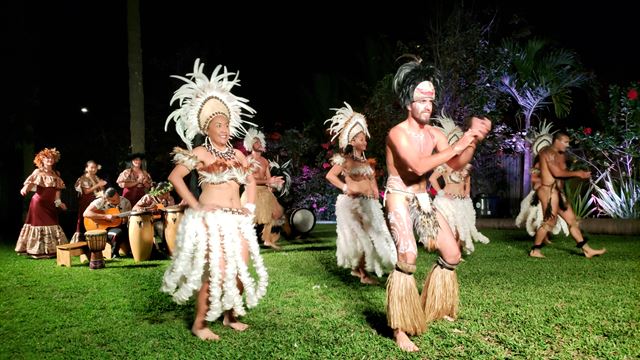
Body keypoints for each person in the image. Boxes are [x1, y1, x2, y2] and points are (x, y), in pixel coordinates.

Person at [384, 58, 491, 352]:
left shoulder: (435, 133)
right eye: (421, 100)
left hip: (422, 199)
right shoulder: (397, 133)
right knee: (407, 255)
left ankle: (436, 306)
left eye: (430, 101)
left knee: (453, 254)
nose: (427, 106)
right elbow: (418, 166)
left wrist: (473, 140)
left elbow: (456, 165)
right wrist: (458, 145)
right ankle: (400, 328)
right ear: (409, 102)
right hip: (398, 196)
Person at [161, 59, 268, 341]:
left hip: (238, 219)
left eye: (226, 124)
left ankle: (230, 315)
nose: (224, 129)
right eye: (218, 124)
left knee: (240, 271)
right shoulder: (200, 153)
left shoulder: (238, 155)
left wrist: (250, 206)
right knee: (216, 272)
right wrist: (196, 205)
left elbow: (250, 181)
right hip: (212, 219)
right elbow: (175, 176)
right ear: (207, 128)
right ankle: (199, 324)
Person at [324, 102, 397, 284]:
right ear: (352, 141)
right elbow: (330, 176)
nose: (364, 141)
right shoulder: (346, 160)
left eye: (365, 138)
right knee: (362, 237)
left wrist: (376, 194)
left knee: (373, 235)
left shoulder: (367, 163)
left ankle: (360, 270)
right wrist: (345, 188)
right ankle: (364, 275)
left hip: (369, 203)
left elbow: (372, 181)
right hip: (353, 204)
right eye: (361, 138)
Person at [530, 131, 606, 258]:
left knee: (572, 221)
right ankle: (535, 250)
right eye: (565, 142)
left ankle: (587, 250)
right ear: (557, 141)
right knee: (549, 222)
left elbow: (563, 172)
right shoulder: (547, 152)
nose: (567, 145)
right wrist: (578, 174)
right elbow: (557, 173)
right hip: (548, 191)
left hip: (558, 192)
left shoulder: (561, 155)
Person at [429, 115, 489, 255]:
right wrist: (441, 193)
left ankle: (457, 252)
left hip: (461, 200)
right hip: (447, 200)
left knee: (461, 226)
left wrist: (467, 193)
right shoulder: (445, 165)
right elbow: (432, 179)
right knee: (452, 228)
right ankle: (450, 252)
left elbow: (467, 180)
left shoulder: (465, 166)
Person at [515, 123, 569, 241]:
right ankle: (542, 239)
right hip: (541, 192)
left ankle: (545, 236)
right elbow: (534, 179)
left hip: (552, 191)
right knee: (542, 215)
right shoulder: (538, 164)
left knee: (550, 215)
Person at [16, 147, 69, 258]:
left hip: (50, 205)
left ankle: (51, 250)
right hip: (38, 204)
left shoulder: (56, 174)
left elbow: (57, 191)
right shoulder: (38, 171)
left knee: (52, 224)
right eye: (47, 158)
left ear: (54, 160)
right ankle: (36, 251)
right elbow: (30, 182)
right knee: (38, 225)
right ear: (42, 159)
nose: (49, 160)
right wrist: (24, 188)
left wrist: (59, 203)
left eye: (51, 158)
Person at [240, 128, 286, 249]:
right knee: (250, 219)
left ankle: (267, 239)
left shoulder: (265, 161)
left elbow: (269, 179)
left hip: (265, 192)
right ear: (250, 144)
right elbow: (248, 180)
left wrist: (275, 184)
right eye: (256, 142)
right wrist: (267, 181)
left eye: (260, 142)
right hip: (252, 192)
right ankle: (243, 242)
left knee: (276, 213)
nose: (259, 144)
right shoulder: (248, 160)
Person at [83, 187, 132, 258]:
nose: (117, 201)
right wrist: (105, 217)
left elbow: (127, 220)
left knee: (125, 230)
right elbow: (86, 213)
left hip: (117, 226)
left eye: (117, 198)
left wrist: (124, 219)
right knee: (117, 233)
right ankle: (114, 253)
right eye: (113, 200)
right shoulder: (100, 201)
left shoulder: (126, 202)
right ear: (107, 199)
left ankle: (127, 251)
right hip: (99, 227)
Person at [132, 181, 177, 255]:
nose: (169, 194)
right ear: (161, 192)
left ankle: (170, 248)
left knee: (168, 226)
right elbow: (135, 207)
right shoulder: (148, 197)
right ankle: (159, 249)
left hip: (164, 220)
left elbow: (171, 210)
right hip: (148, 220)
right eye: (167, 192)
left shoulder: (170, 199)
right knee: (160, 227)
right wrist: (146, 208)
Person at [70, 160, 107, 242]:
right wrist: (98, 185)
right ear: (87, 168)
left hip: (96, 202)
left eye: (95, 168)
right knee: (85, 219)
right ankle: (81, 240)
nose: (94, 169)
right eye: (91, 167)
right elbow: (86, 191)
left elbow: (100, 190)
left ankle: (95, 239)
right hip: (86, 201)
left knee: (95, 219)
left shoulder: (96, 177)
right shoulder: (83, 178)